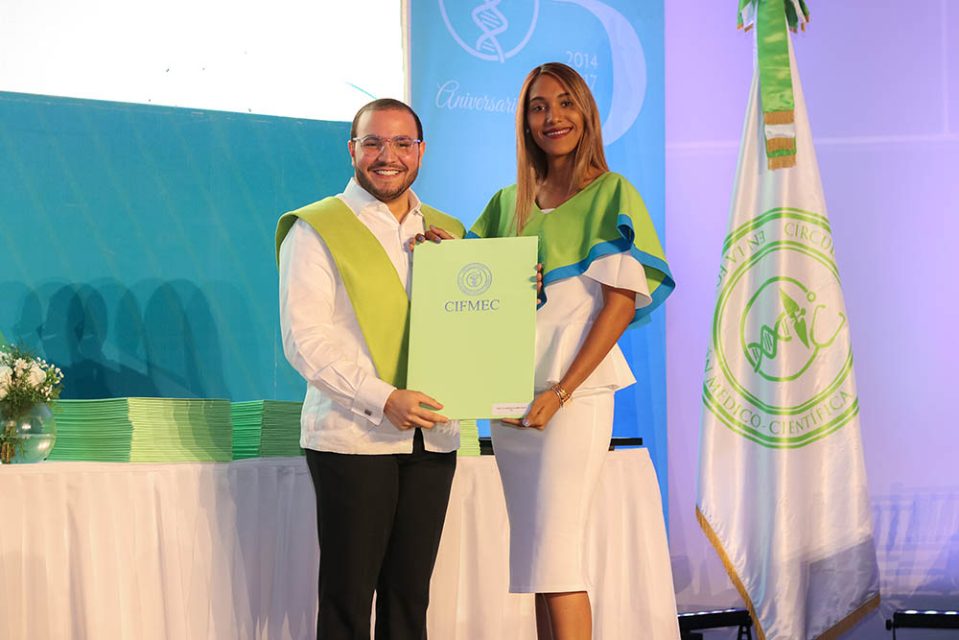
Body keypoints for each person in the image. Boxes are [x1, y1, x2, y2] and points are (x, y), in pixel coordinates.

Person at [468, 63, 675, 639]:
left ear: (585, 113)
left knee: (558, 556)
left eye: (564, 103)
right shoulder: (508, 203)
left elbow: (619, 307)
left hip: (573, 397)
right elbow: (473, 292)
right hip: (510, 399)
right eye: (538, 106)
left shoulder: (612, 193)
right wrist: (443, 256)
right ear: (524, 121)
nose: (552, 117)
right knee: (537, 562)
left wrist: (560, 393)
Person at [275, 98, 466, 640]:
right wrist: (383, 397)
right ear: (352, 149)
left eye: (402, 143)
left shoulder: (449, 231)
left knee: (410, 602)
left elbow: (476, 323)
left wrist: (521, 289)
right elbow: (305, 339)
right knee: (348, 602)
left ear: (421, 151)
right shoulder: (316, 227)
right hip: (353, 438)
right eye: (374, 142)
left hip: (433, 437)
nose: (388, 156)